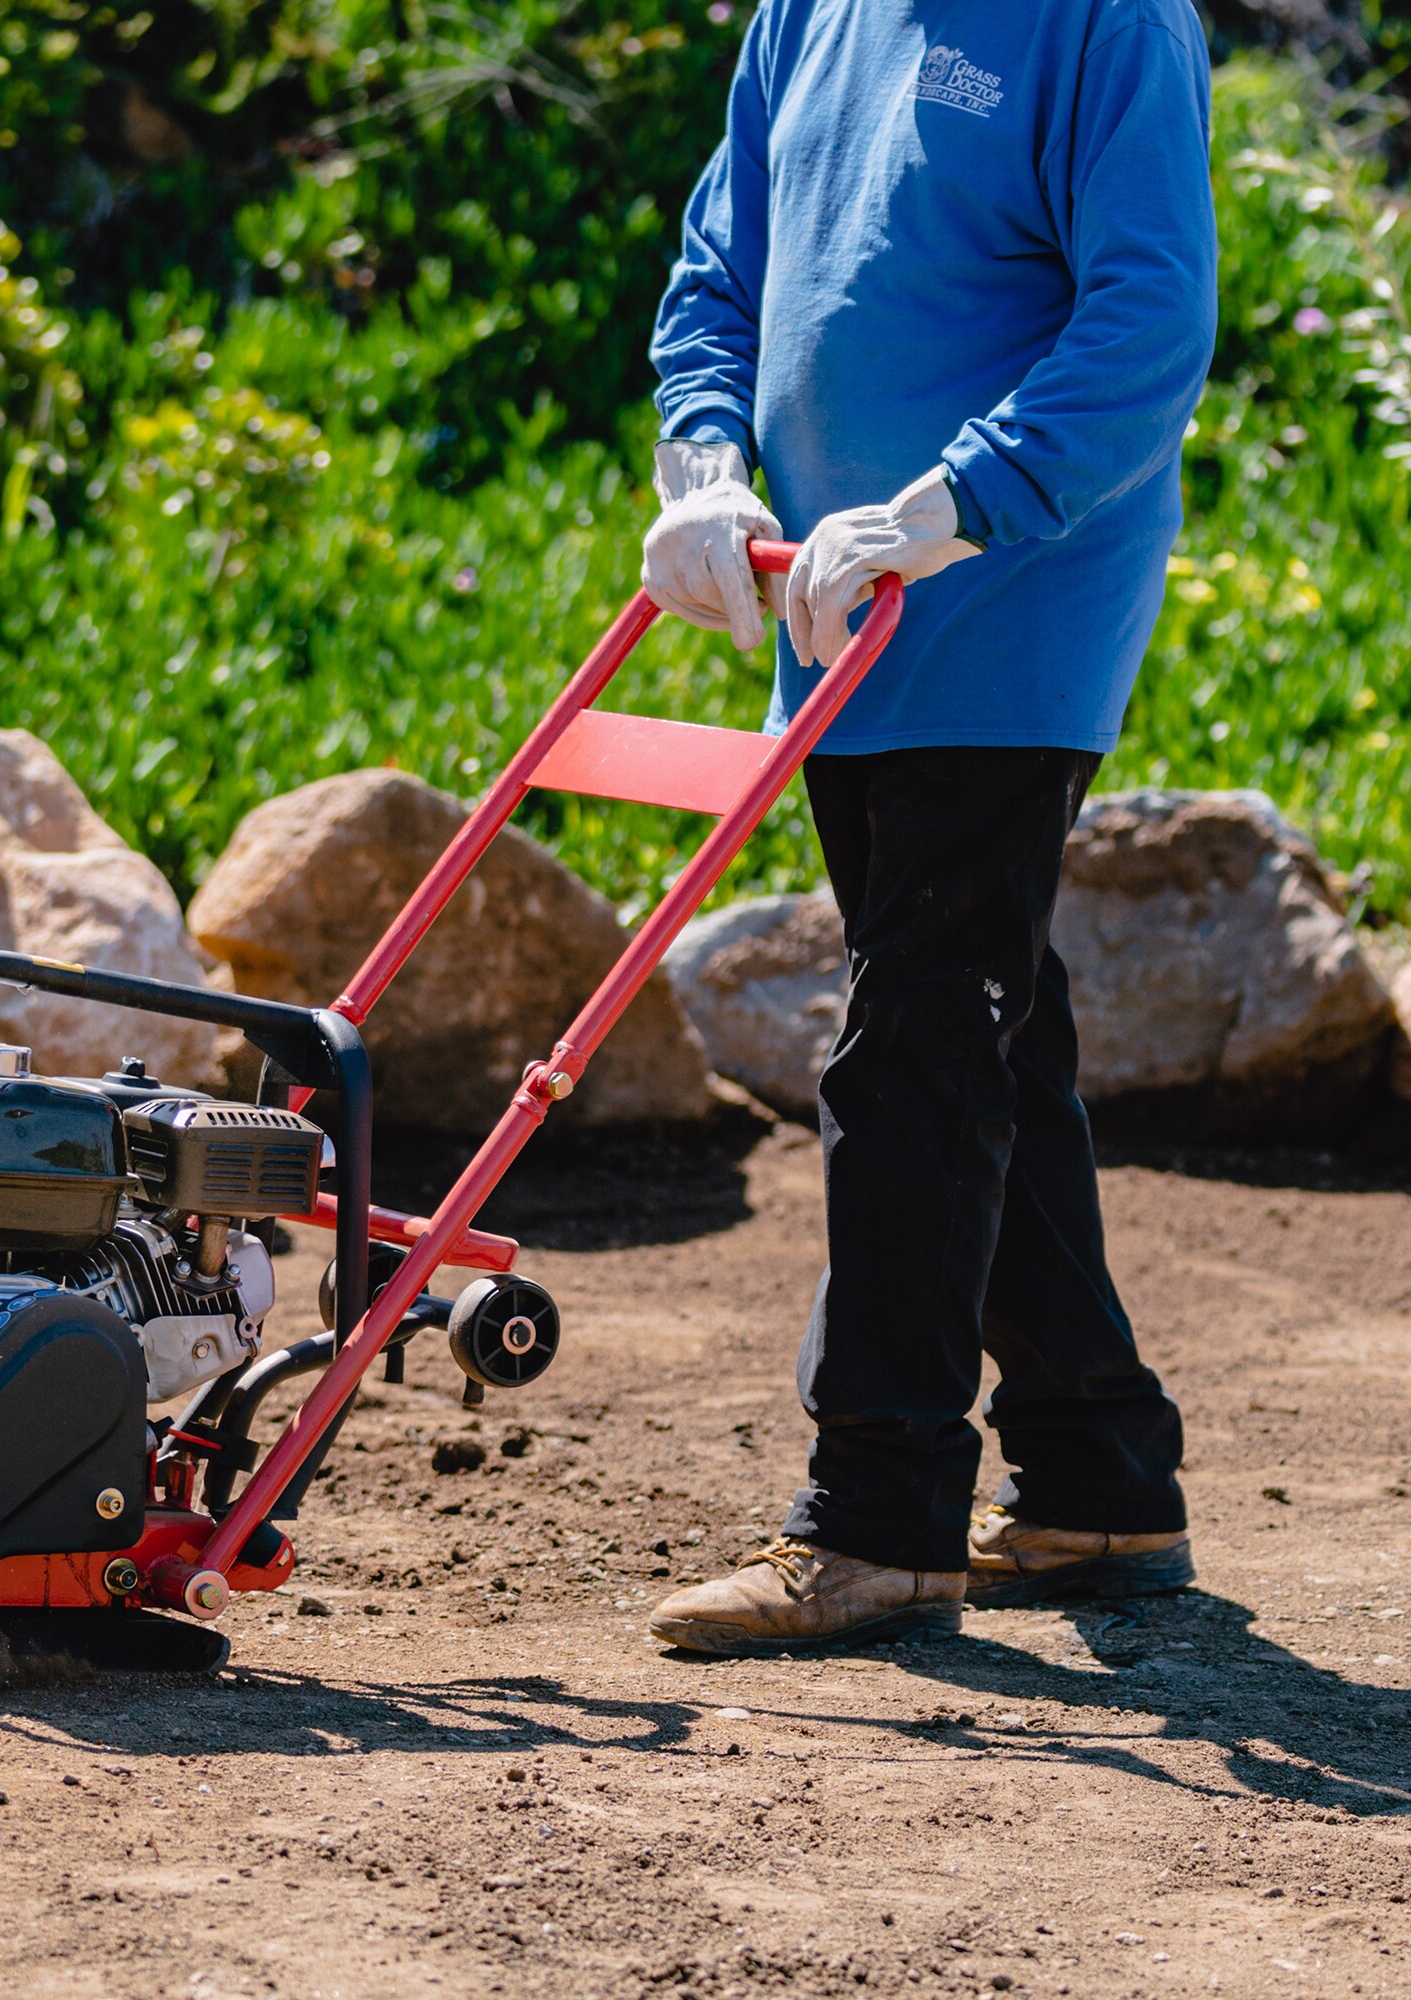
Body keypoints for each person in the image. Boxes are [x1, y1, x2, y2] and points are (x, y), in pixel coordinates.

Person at [640, 0, 1218, 1655]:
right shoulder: (806, 12)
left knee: (911, 1048)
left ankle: (879, 1518)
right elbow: (719, 279)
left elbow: (1148, 324)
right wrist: (703, 464)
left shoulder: (1110, 21)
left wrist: (947, 508)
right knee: (985, 1044)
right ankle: (1099, 1471)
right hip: (830, 622)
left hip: (1005, 612)